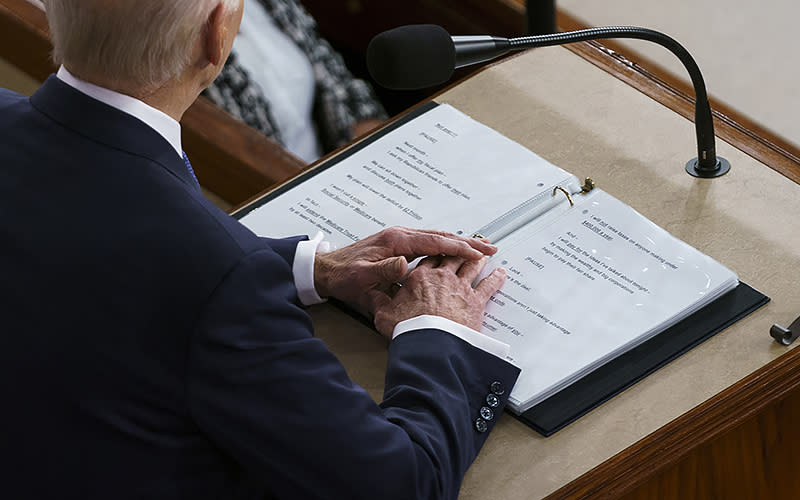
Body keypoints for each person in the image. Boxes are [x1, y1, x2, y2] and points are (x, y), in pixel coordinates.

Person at [0, 1, 520, 499]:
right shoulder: (218, 279)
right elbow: (403, 484)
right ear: (216, 34)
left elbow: (88, 247)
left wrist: (310, 269)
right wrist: (437, 330)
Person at [204, 0, 386, 162]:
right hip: (269, 185)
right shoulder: (191, 36)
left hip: (330, 168)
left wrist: (375, 151)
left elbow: (339, 84)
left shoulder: (275, 4)